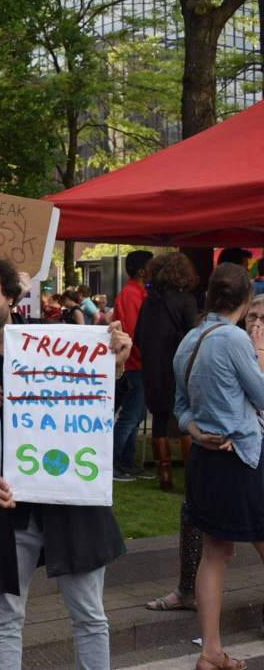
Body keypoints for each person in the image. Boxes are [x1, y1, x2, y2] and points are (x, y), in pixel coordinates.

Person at [0, 249, 131, 670]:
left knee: (89, 616)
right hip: (9, 513)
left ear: (11, 294)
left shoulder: (62, 341)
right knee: (6, 618)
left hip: (71, 504)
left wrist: (115, 367)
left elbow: (98, 413)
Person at [171, 265, 264, 670]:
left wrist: (195, 430)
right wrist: (258, 353)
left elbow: (179, 408)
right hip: (241, 460)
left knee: (214, 554)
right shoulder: (234, 339)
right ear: (245, 303)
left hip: (205, 459)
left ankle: (210, 651)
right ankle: (210, 653)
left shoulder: (189, 340)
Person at [134, 252, 200, 492]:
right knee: (185, 420)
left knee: (160, 420)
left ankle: (164, 476)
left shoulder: (149, 301)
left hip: (152, 367)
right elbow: (193, 339)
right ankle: (193, 476)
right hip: (177, 368)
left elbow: (138, 337)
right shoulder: (187, 301)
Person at [110, 250, 154, 482]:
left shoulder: (138, 292)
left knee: (134, 417)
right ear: (141, 270)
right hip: (134, 364)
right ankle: (114, 464)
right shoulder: (130, 294)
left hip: (138, 362)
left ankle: (126, 462)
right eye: (151, 265)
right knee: (130, 416)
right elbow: (134, 331)